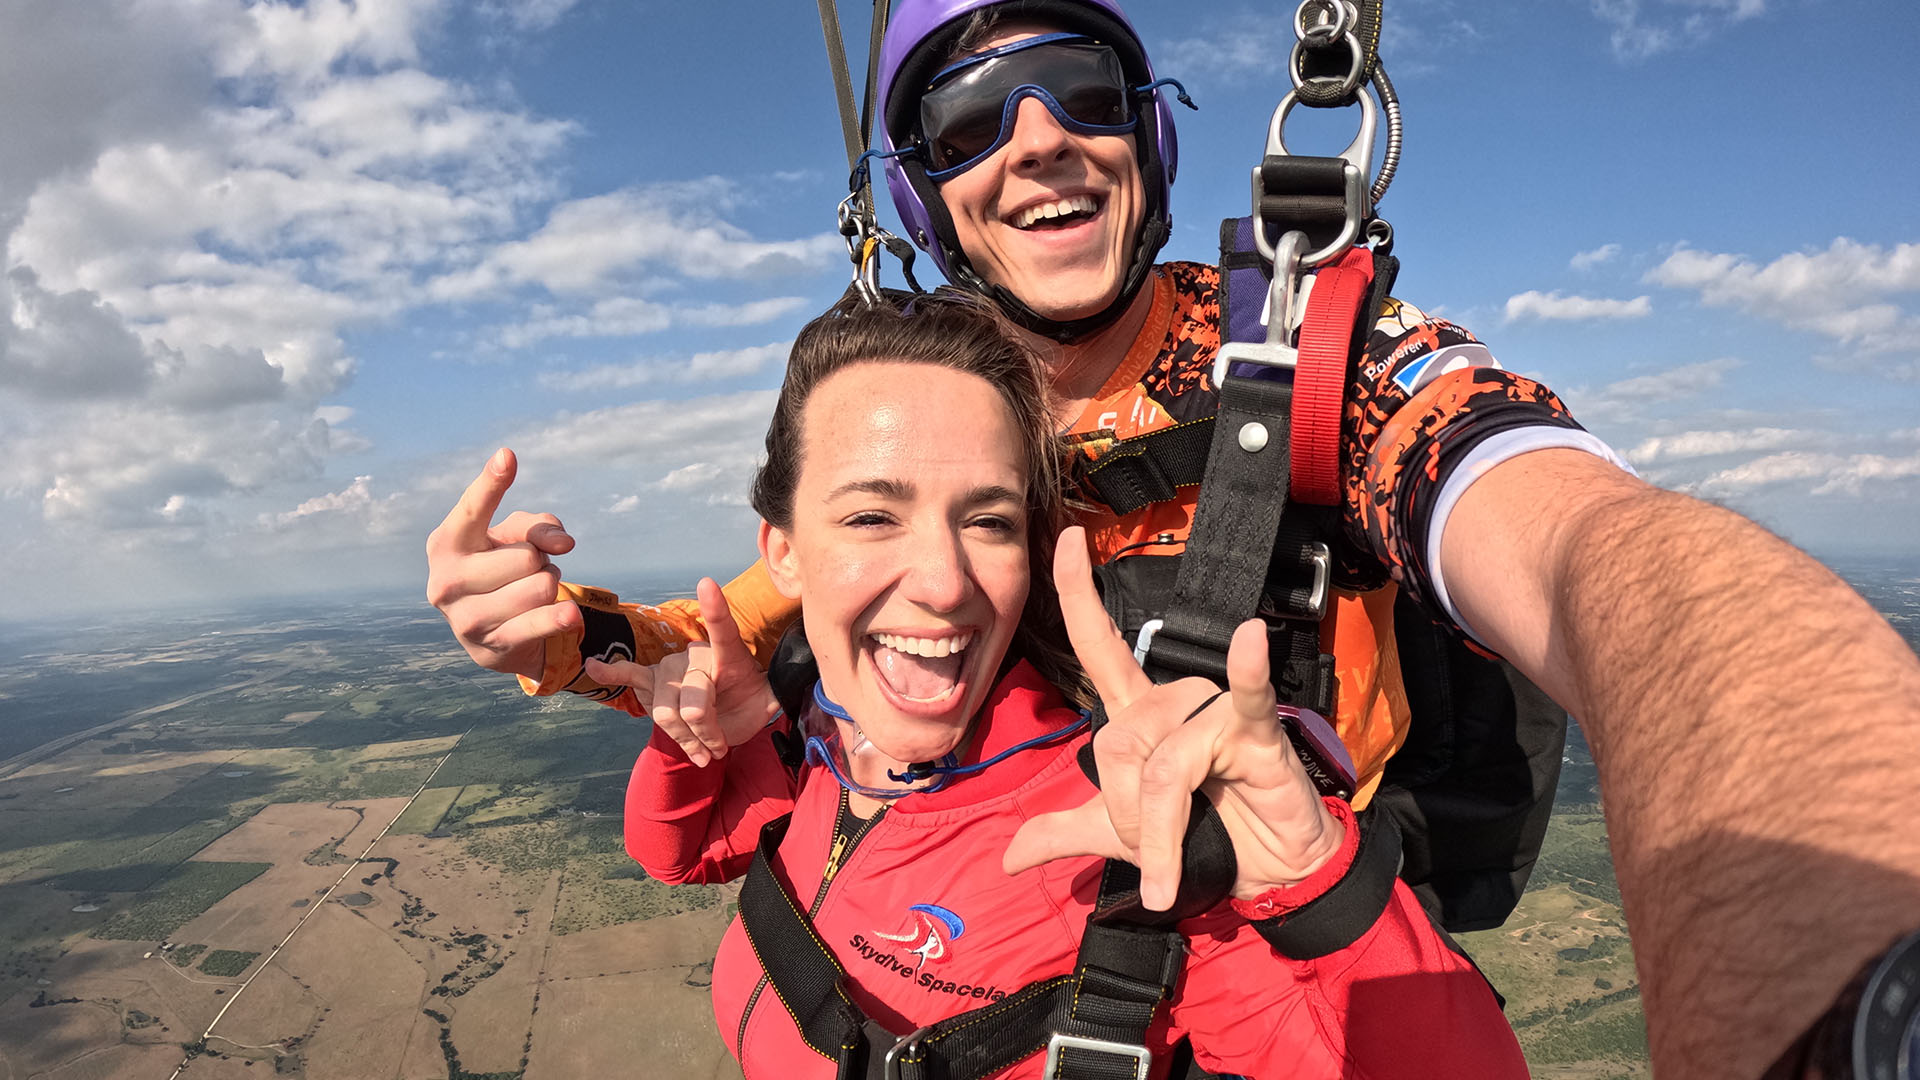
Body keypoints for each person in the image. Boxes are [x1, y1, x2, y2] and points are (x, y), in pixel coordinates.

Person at [425, 1, 1920, 1075]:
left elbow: (1578, 542)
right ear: (921, 188)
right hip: (991, 914)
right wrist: (578, 641)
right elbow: (741, 625)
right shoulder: (930, 407)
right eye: (968, 116)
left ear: (1142, 138)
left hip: (1276, 938)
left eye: (1079, 89)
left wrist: (1840, 982)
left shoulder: (1321, 361)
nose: (1037, 145)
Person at [613, 291, 1527, 1078]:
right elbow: (681, 855)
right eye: (871, 515)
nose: (942, 581)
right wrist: (691, 751)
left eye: (989, 521)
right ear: (784, 554)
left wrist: (1307, 882)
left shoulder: (1115, 835)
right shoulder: (824, 730)